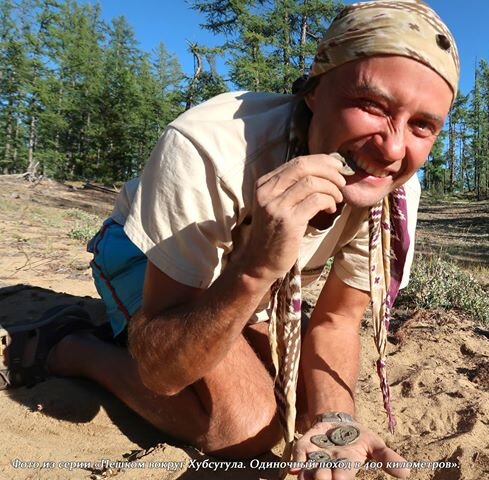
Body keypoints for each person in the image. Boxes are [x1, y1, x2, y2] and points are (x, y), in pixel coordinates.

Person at [1, 1, 459, 478]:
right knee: (246, 430)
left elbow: (339, 319)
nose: (392, 147)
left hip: (256, 286)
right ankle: (72, 348)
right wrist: (257, 265)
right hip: (148, 254)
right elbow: (164, 367)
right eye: (372, 106)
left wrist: (335, 420)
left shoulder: (396, 193)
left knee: (304, 411)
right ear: (314, 92)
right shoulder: (210, 145)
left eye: (422, 125)